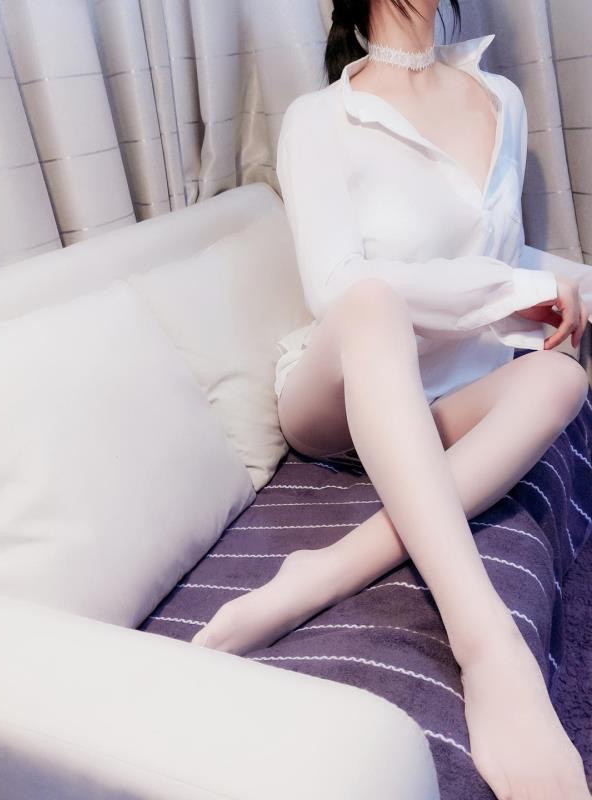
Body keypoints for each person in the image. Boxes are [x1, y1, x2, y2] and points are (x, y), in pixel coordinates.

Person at [191, 1, 592, 797]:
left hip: (448, 395)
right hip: (340, 388)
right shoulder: (321, 118)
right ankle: (491, 651)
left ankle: (330, 567)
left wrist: (567, 284)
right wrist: (513, 290)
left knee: (562, 378)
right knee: (371, 300)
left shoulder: (500, 98)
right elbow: (336, 285)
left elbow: (503, 253)